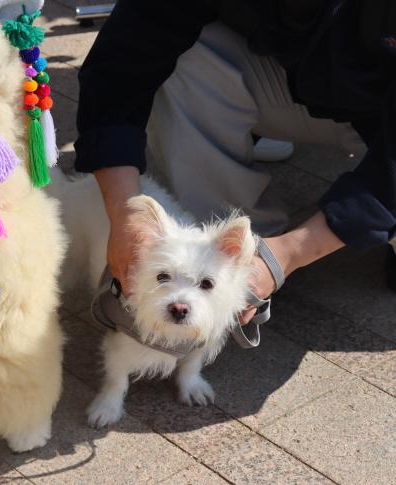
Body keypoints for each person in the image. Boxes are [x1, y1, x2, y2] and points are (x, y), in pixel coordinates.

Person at [75, 0, 396, 323]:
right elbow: (120, 63)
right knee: (187, 58)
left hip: (377, 94)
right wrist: (126, 213)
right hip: (313, 75)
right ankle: (231, 261)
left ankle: (267, 262)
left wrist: (289, 253)